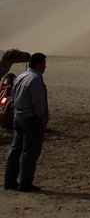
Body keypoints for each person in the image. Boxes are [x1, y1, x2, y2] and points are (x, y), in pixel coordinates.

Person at [4, 52, 48, 193]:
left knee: (15, 149)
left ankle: (9, 181)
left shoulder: (21, 77)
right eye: (44, 64)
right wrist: (42, 118)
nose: (45, 67)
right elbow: (38, 103)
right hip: (31, 119)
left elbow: (12, 98)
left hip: (19, 117)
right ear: (38, 64)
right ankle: (25, 183)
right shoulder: (35, 79)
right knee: (30, 152)